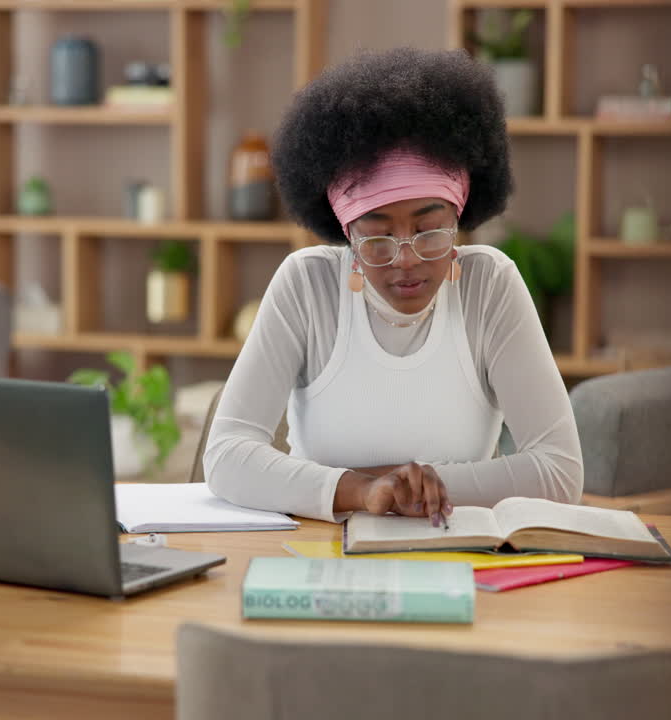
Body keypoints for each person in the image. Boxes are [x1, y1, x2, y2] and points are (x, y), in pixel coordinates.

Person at [203, 48, 583, 525]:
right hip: (322, 556)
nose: (406, 258)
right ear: (345, 232)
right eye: (377, 236)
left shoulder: (490, 286)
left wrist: (403, 486)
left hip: (459, 557)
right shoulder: (307, 285)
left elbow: (560, 472)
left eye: (430, 230)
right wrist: (364, 490)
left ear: (461, 215)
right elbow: (226, 456)